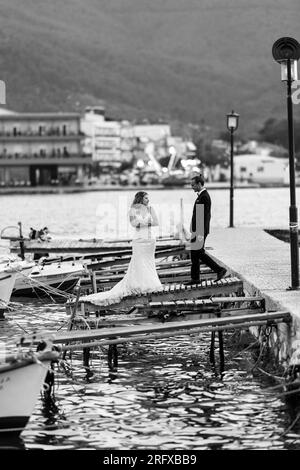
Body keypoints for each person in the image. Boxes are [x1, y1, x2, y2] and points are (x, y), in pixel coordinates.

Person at [80, 191, 163, 306]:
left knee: (149, 262)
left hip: (150, 240)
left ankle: (151, 283)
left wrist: (144, 223)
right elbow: (134, 224)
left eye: (148, 198)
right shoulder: (132, 210)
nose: (148, 200)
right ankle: (139, 285)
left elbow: (156, 222)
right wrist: (147, 222)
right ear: (139, 199)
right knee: (139, 262)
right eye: (145, 198)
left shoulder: (151, 209)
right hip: (139, 240)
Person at [186, 174, 226, 285]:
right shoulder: (201, 196)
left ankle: (219, 270)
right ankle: (195, 278)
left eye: (193, 185)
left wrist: (198, 232)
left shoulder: (204, 197)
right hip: (198, 229)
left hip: (200, 230)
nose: (192, 187)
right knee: (194, 253)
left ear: (199, 184)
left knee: (198, 252)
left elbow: (201, 216)